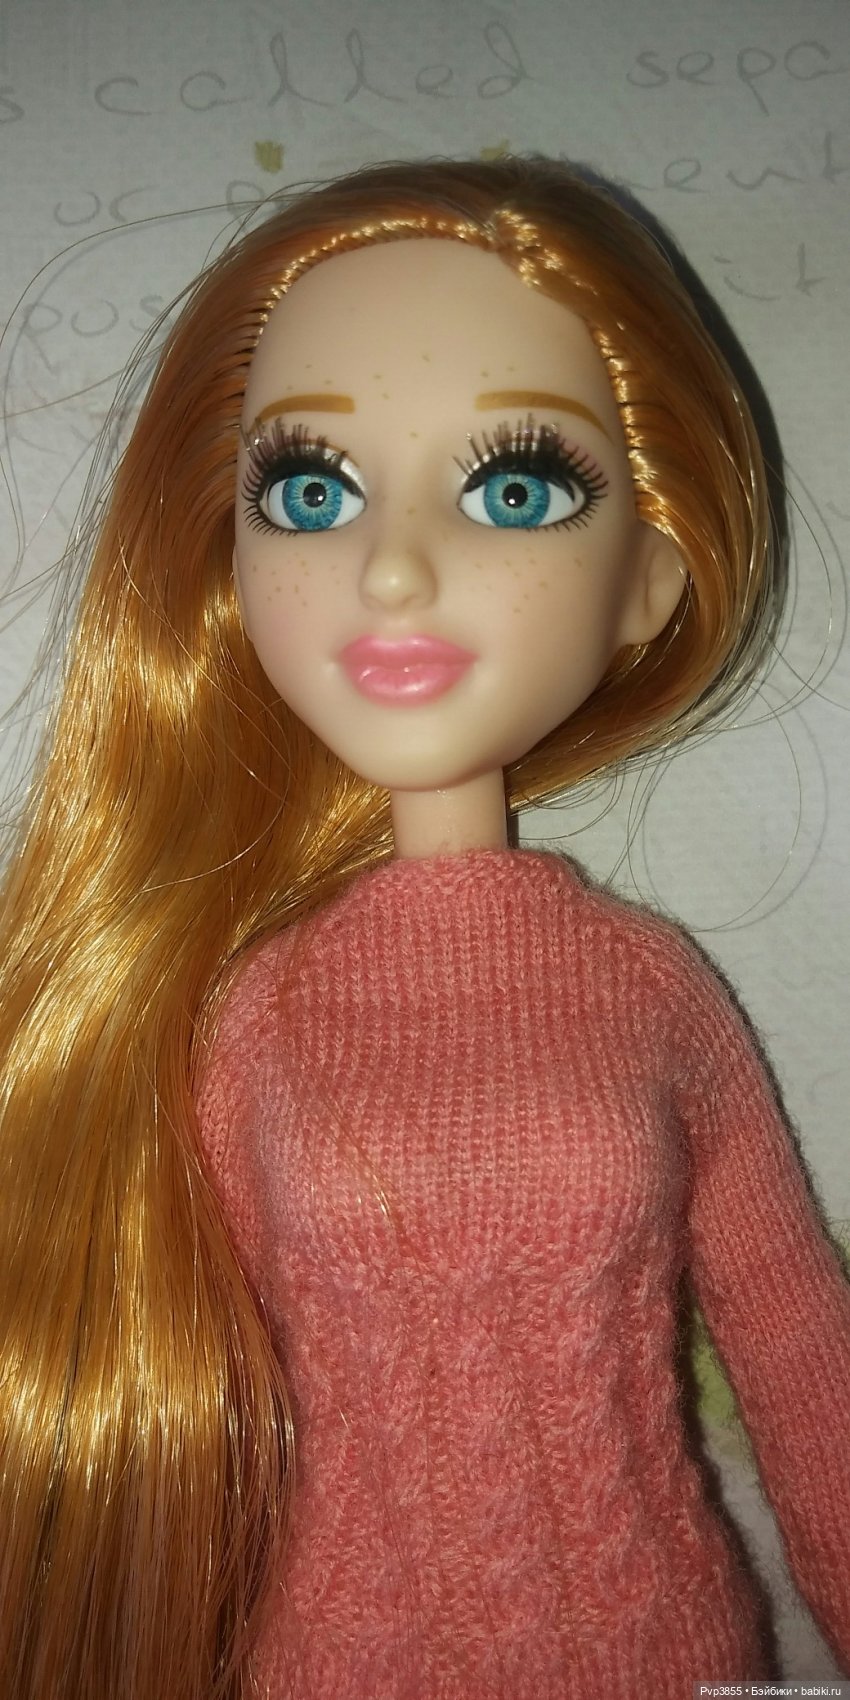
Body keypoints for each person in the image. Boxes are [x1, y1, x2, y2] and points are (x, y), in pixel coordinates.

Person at [0, 157, 847, 1700]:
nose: (390, 568)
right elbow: (197, 1405)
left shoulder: (648, 990)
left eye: (514, 488)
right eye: (310, 494)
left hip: (654, 1654)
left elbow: (798, 1350)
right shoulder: (254, 1016)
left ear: (649, 581)